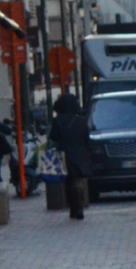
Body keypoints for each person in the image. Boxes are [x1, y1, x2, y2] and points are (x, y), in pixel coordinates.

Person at [47, 92, 90, 220]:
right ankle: (79, 206)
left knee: (68, 182)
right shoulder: (81, 120)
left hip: (64, 154)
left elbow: (53, 137)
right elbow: (86, 139)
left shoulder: (58, 120)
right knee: (77, 181)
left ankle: (74, 207)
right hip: (79, 154)